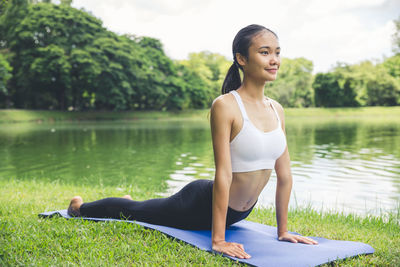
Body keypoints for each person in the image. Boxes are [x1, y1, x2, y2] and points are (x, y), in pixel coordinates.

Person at [67, 24, 318, 259]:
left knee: (143, 208)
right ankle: (80, 208)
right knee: (137, 213)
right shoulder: (226, 106)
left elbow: (284, 175)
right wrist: (218, 240)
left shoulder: (277, 109)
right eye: (264, 52)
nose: (274, 60)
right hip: (199, 204)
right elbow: (224, 174)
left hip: (240, 211)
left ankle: (128, 201)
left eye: (277, 52)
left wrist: (282, 231)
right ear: (242, 59)